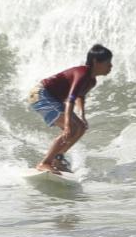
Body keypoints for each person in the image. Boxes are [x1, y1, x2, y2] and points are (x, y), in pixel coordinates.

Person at [28, 44, 113, 173]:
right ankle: (45, 163)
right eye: (108, 63)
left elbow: (80, 96)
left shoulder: (92, 80)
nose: (111, 66)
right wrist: (67, 124)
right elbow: (71, 100)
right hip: (41, 94)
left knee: (81, 127)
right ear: (96, 62)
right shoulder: (82, 73)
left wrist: (82, 115)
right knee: (71, 128)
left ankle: (58, 158)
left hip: (53, 99)